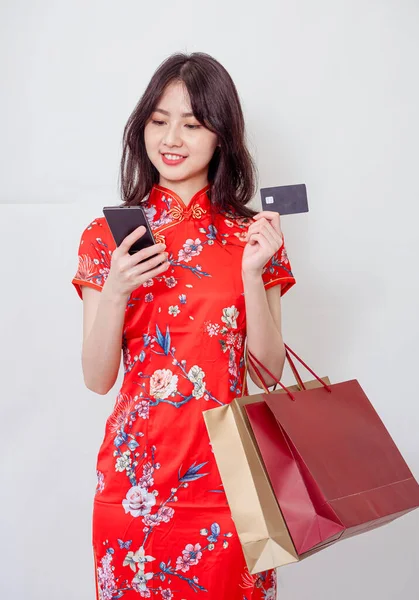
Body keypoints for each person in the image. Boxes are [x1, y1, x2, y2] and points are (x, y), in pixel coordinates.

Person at [72, 52, 296, 600]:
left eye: (192, 124)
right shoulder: (107, 238)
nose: (172, 137)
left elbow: (267, 374)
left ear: (222, 136)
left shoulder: (254, 237)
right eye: (159, 120)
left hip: (231, 483)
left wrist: (250, 272)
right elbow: (98, 379)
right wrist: (119, 288)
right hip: (135, 481)